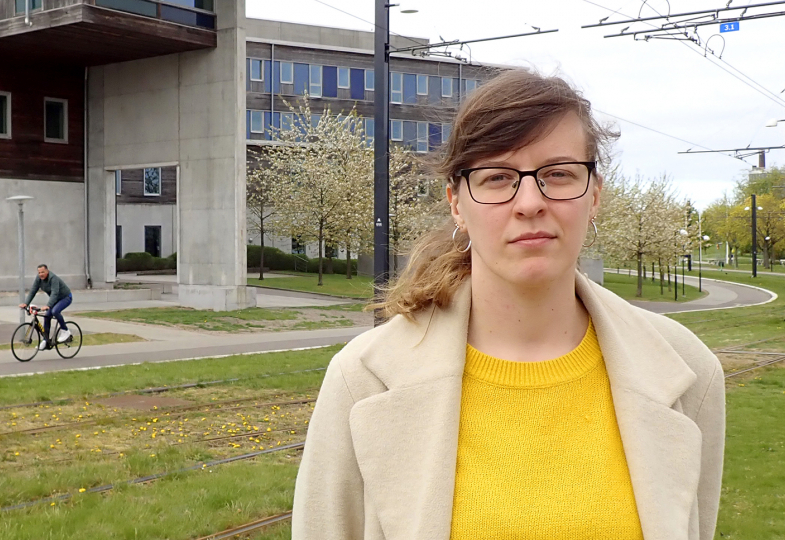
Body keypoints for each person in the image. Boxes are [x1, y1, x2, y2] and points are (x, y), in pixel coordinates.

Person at [291, 68, 724, 540]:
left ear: (594, 195)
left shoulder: (689, 373)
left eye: (558, 174)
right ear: (457, 202)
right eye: (497, 177)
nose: (529, 202)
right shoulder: (362, 381)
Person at [19, 264, 73, 351]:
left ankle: (65, 331)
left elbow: (55, 293)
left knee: (55, 311)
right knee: (47, 315)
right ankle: (45, 341)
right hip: (55, 300)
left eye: (43, 272)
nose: (41, 274)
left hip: (65, 297)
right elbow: (33, 291)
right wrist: (26, 303)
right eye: (39, 272)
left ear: (47, 271)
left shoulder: (53, 278)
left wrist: (48, 305)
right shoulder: (39, 279)